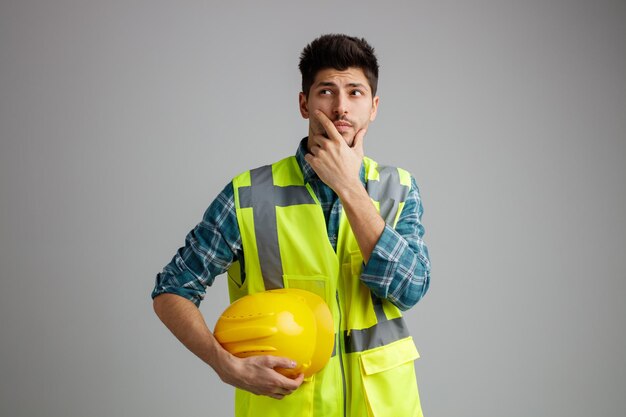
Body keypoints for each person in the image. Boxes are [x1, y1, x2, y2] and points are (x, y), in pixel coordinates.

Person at [152, 33, 431, 417]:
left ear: (374, 106)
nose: (340, 107)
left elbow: (410, 289)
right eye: (326, 92)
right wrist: (226, 366)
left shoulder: (399, 188)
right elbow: (172, 291)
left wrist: (349, 187)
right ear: (304, 103)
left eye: (355, 93)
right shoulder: (247, 195)